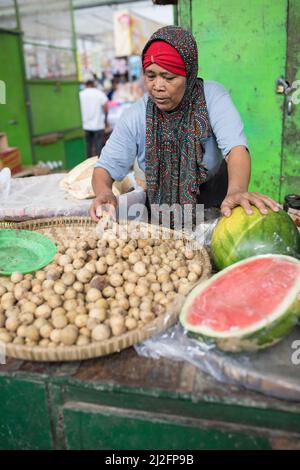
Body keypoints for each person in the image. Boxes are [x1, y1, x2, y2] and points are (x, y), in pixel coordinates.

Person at [90, 26, 280, 222]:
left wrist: (237, 191)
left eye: (168, 77)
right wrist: (104, 193)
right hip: (159, 209)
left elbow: (236, 150)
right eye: (150, 75)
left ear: (188, 74)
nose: (157, 86)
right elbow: (104, 168)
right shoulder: (137, 115)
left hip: (214, 200)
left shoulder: (212, 97)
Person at [79, 80, 108, 158]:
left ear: (86, 84)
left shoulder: (81, 94)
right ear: (93, 84)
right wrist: (105, 119)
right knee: (99, 147)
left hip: (85, 125)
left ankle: (88, 165)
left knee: (88, 147)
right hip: (98, 125)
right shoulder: (99, 93)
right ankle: (99, 165)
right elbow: (106, 106)